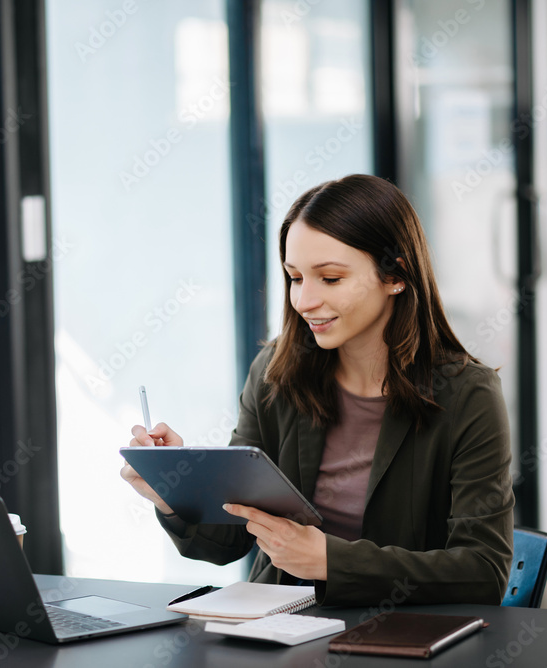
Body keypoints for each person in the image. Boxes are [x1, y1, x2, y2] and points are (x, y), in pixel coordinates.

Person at [120, 174, 514, 607]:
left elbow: (482, 572)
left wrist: (330, 561)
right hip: (279, 630)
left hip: (400, 636)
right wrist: (175, 492)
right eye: (295, 277)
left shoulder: (467, 395)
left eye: (329, 279)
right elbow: (227, 541)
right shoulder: (275, 374)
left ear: (396, 276)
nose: (304, 301)